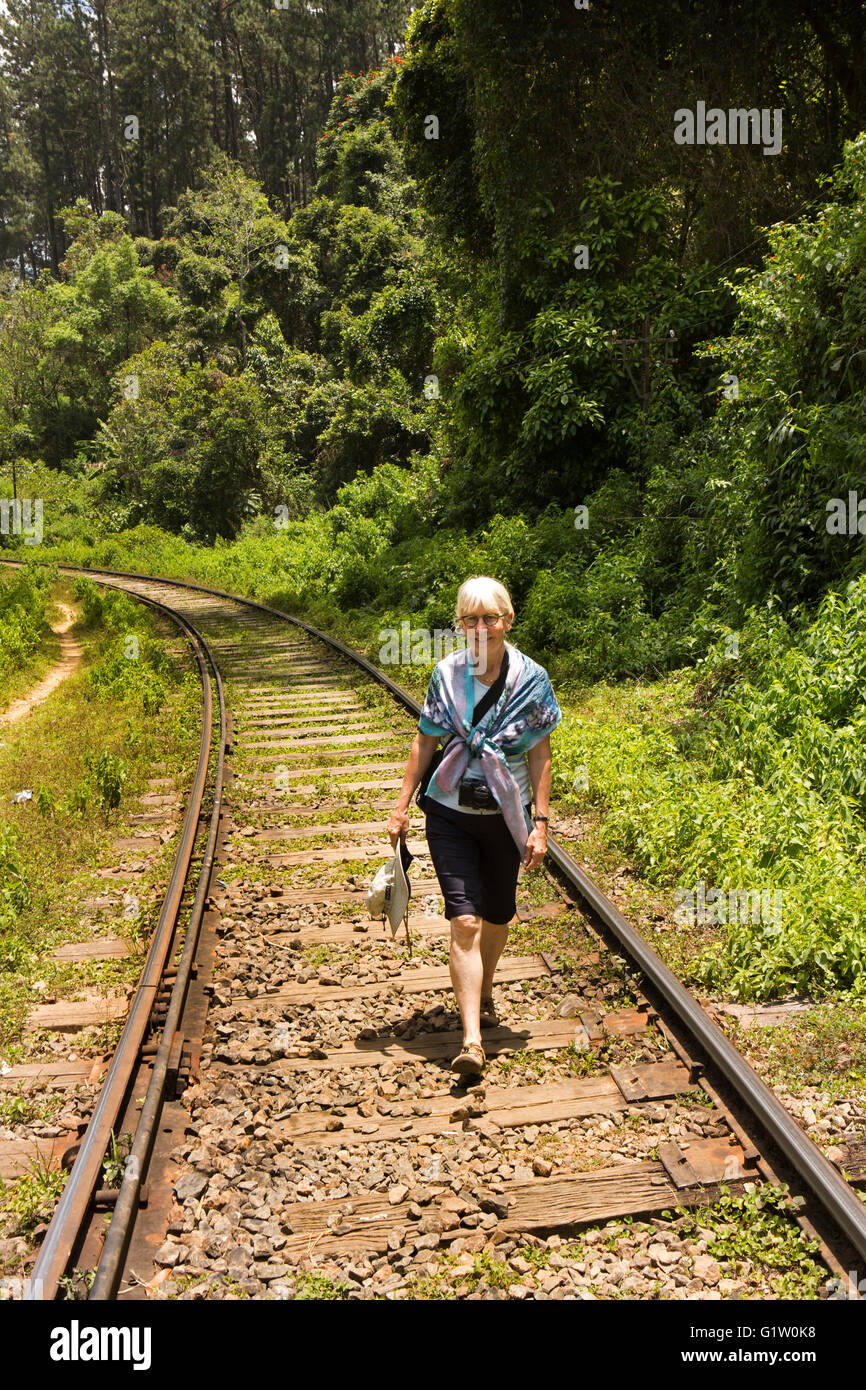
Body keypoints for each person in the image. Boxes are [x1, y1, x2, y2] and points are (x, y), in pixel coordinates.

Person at [387, 576, 562, 1076]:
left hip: (506, 816)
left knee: (499, 915)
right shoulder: (445, 675)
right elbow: (424, 742)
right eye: (471, 619)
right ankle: (471, 1039)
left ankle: (484, 988)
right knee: (465, 919)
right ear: (460, 625)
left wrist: (541, 824)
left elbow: (539, 753)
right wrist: (401, 806)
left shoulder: (532, 680)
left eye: (490, 618)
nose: (481, 628)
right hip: (449, 813)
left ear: (507, 620)